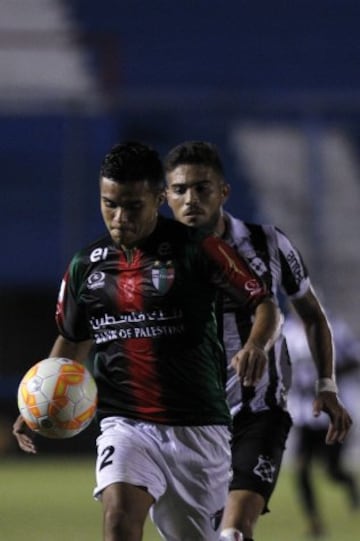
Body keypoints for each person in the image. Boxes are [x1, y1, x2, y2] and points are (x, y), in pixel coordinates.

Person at [13, 141, 282, 541]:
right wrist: (39, 402)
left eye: (132, 206)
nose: (119, 217)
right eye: (109, 204)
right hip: (125, 421)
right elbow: (72, 341)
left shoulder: (199, 249)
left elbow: (264, 305)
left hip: (197, 427)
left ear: (158, 199)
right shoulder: (86, 266)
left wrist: (256, 345)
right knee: (119, 519)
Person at [164, 140, 353, 541]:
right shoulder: (152, 259)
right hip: (184, 424)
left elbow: (314, 317)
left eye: (202, 187)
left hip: (258, 414)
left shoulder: (269, 243)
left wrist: (326, 385)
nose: (191, 198)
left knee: (235, 531)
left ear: (224, 191)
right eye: (180, 189)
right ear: (165, 196)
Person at [285, 310, 360, 537]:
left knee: (332, 469)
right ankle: (314, 521)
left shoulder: (335, 329)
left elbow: (355, 359)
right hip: (302, 414)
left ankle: (349, 484)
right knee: (301, 468)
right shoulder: (286, 333)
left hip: (330, 414)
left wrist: (327, 377)